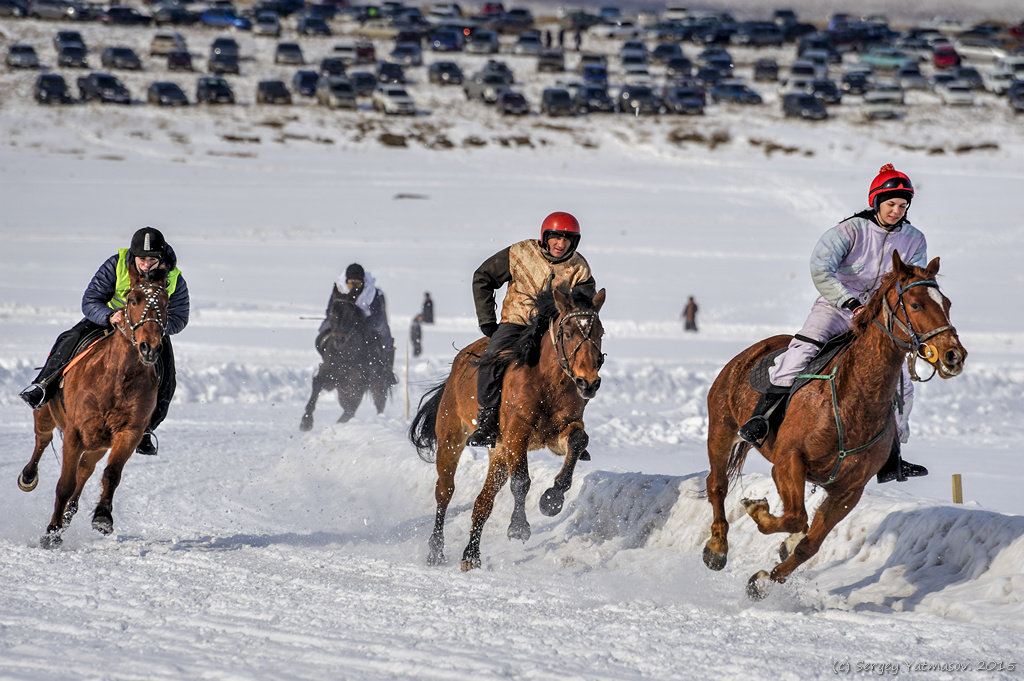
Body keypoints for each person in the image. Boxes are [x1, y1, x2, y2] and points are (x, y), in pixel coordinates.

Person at [737, 164, 928, 484]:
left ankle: (891, 455)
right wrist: (849, 302)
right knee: (798, 355)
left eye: (903, 205)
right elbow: (820, 269)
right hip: (836, 307)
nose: (897, 211)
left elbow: (912, 283)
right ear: (876, 202)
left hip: (878, 318)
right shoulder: (849, 230)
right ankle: (762, 422)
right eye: (891, 204)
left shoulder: (914, 239)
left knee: (901, 384)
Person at [19, 227, 190, 456]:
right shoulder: (116, 265)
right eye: (142, 259)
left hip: (148, 331)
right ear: (134, 256)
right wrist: (109, 316)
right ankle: (42, 386)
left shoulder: (174, 278)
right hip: (109, 320)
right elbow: (90, 300)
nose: (146, 265)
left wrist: (152, 328)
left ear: (161, 257)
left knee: (168, 373)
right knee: (69, 338)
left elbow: (180, 316)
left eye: (152, 259)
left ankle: (147, 429)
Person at [466, 211, 596, 448]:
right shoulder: (519, 253)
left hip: (553, 331)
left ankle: (573, 427)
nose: (561, 243)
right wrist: (487, 320)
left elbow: (585, 304)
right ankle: (487, 423)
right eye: (556, 237)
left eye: (567, 239)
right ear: (545, 237)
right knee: (492, 360)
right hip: (517, 322)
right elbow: (482, 277)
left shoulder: (579, 267)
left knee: (582, 367)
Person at [316, 263, 395, 377]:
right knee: (323, 331)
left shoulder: (372, 293)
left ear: (363, 282)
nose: (353, 287)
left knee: (384, 333)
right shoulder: (339, 289)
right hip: (344, 321)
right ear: (346, 281)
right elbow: (330, 310)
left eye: (357, 283)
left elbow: (377, 316)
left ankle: (387, 369)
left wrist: (362, 323)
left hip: (367, 321)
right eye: (350, 283)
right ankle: (328, 363)